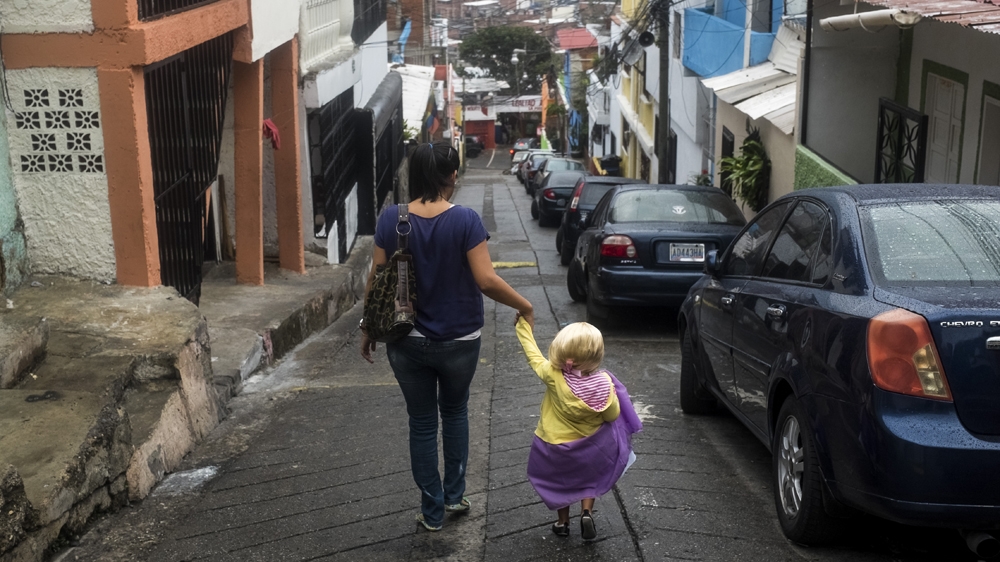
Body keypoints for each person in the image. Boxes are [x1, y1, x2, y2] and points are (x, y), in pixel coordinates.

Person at [361, 141, 535, 532]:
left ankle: (432, 510)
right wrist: (525, 306)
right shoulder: (467, 221)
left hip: (405, 339)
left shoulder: (392, 219)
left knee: (421, 423)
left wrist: (368, 328)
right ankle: (455, 496)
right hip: (459, 341)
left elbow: (375, 280)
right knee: (455, 412)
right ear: (451, 175)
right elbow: (486, 280)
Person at [514, 317, 642, 540]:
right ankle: (586, 512)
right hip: (590, 446)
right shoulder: (605, 383)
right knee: (588, 480)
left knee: (558, 483)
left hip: (553, 444)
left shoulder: (553, 375)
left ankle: (562, 523)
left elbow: (533, 356)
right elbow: (612, 415)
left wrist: (523, 327)